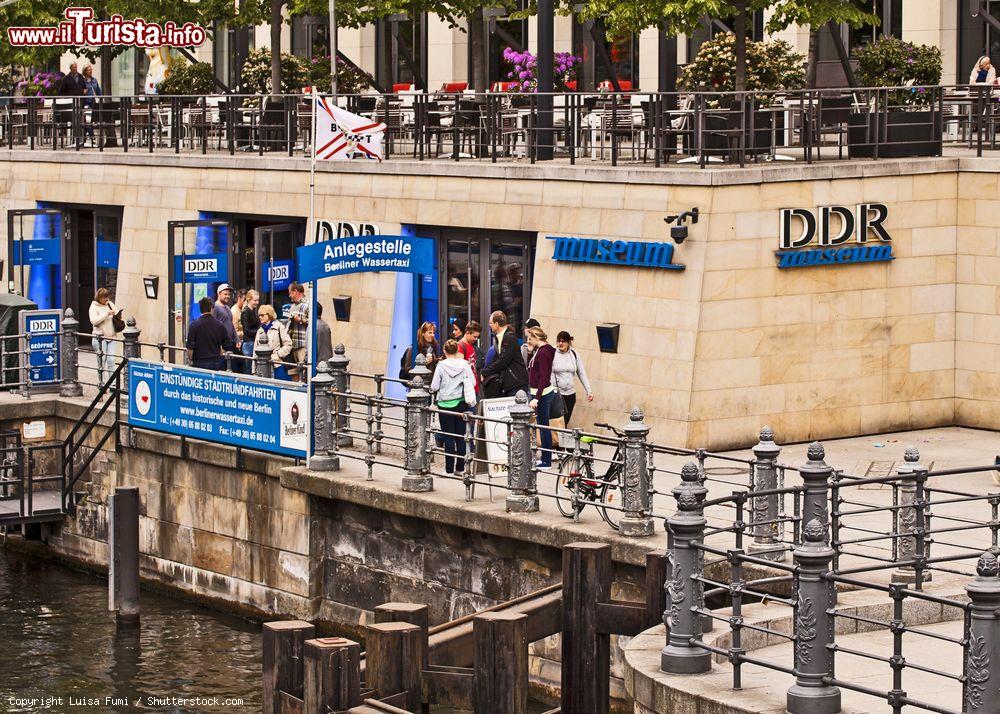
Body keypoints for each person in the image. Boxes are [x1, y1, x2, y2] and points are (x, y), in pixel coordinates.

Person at [430, 339, 477, 475]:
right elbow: (473, 382)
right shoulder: (464, 365)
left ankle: (449, 470)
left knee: (448, 437)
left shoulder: (440, 366)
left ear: (444, 351)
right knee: (461, 436)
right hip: (461, 403)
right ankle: (460, 468)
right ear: (457, 351)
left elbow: (434, 386)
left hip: (444, 404)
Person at [526, 327, 557, 468]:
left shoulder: (544, 352)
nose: (528, 341)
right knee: (542, 426)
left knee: (544, 427)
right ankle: (546, 458)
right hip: (540, 392)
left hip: (542, 394)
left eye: (530, 338)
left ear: (537, 337)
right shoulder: (541, 350)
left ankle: (546, 460)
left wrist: (536, 398)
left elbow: (544, 377)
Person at [480, 310, 529, 398]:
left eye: (491, 323)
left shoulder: (509, 338)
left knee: (516, 410)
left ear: (497, 324)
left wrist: (485, 372)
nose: (489, 325)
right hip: (509, 383)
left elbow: (503, 361)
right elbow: (497, 359)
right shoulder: (499, 337)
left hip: (517, 382)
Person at [552, 331, 594, 426]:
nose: (560, 344)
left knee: (565, 421)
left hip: (570, 394)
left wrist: (589, 391)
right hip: (557, 393)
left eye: (563, 341)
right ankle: (557, 440)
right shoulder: (552, 353)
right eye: (558, 341)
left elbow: (582, 373)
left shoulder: (574, 354)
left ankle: (560, 439)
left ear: (568, 342)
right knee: (559, 422)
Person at [187, 297, 235, 371]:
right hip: (216, 362)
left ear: (200, 308)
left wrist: (190, 361)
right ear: (212, 308)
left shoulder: (194, 325)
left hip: (199, 363)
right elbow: (228, 346)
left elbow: (190, 348)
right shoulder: (220, 325)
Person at [88, 287, 122, 377]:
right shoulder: (93, 307)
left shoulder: (109, 304)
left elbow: (117, 313)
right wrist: (107, 313)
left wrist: (118, 314)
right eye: (103, 297)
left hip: (112, 336)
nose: (106, 299)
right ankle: (102, 385)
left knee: (111, 360)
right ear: (98, 298)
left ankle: (113, 385)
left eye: (107, 297)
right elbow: (94, 321)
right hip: (100, 338)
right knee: (102, 361)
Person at [258, 304, 293, 379]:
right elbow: (256, 349)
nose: (260, 317)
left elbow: (288, 344)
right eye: (259, 315)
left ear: (269, 315)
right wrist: (254, 369)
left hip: (277, 365)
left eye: (262, 315)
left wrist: (277, 355)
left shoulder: (279, 327)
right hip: (262, 365)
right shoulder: (260, 330)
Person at [212, 283, 239, 369]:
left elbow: (231, 325)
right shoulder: (215, 307)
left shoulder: (227, 307)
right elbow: (213, 328)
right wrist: (219, 346)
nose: (227, 296)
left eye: (229, 294)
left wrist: (237, 339)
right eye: (225, 294)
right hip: (221, 345)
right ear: (219, 294)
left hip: (230, 343)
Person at [286, 283, 309, 381]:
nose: (289, 295)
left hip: (302, 345)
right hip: (293, 344)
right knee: (293, 371)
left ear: (295, 291)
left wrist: (300, 320)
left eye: (290, 293)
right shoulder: (292, 306)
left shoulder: (308, 304)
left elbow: (313, 323)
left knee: (303, 373)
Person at [457, 320, 482, 396]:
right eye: (474, 336)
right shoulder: (460, 346)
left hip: (473, 387)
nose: (476, 339)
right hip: (467, 389)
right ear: (467, 333)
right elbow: (459, 369)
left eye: (477, 337)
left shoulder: (470, 345)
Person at [240, 290, 261, 371]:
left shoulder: (252, 311)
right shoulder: (245, 312)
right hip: (249, 344)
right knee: (250, 370)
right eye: (255, 300)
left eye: (258, 300)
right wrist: (259, 332)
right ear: (249, 300)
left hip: (252, 342)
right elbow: (246, 330)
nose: (257, 302)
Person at [81, 64, 101, 146]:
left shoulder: (94, 80)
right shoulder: (82, 81)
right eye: (89, 70)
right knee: (88, 120)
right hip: (86, 103)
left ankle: (90, 137)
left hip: (94, 103)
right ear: (85, 71)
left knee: (93, 119)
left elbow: (99, 91)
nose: (90, 71)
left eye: (91, 69)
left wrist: (100, 98)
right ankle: (93, 137)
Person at [231, 288, 247, 373]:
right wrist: (246, 333)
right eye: (244, 300)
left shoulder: (243, 310)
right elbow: (234, 331)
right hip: (238, 344)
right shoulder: (234, 311)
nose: (245, 303)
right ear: (239, 298)